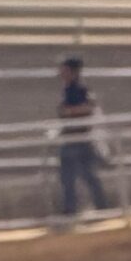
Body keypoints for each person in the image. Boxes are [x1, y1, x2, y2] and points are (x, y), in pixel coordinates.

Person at [53, 57, 107, 219]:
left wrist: (68, 112)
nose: (61, 73)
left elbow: (89, 108)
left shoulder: (78, 89)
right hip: (74, 138)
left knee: (77, 175)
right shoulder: (69, 89)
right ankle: (96, 205)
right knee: (80, 175)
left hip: (78, 138)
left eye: (65, 70)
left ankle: (77, 208)